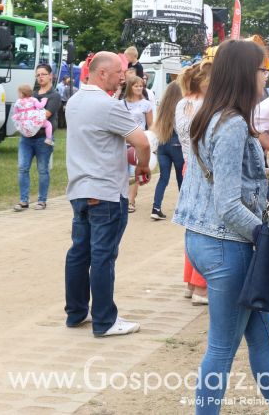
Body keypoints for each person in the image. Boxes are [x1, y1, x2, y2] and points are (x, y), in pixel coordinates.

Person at [173, 40, 269, 412]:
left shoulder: (210, 114)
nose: (267, 76)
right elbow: (229, 204)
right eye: (263, 70)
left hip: (205, 239)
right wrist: (267, 240)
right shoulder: (232, 124)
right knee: (221, 347)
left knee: (262, 334)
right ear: (245, 74)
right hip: (227, 245)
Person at [64, 51, 152, 337]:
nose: (122, 79)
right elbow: (142, 142)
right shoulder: (108, 105)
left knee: (79, 252)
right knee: (103, 256)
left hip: (79, 188)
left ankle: (76, 312)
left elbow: (98, 140)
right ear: (102, 73)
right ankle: (105, 320)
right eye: (118, 73)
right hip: (105, 191)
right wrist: (141, 166)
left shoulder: (74, 101)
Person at [175, 61, 212, 305]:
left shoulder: (182, 103)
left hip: (188, 165)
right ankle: (201, 286)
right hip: (203, 169)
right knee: (206, 227)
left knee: (193, 225)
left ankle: (191, 282)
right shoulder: (205, 106)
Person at [13, 64, 61, 212]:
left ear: (50, 76)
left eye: (43, 74)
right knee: (22, 168)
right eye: (38, 75)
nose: (40, 77)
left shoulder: (54, 96)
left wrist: (27, 116)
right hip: (26, 138)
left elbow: (45, 115)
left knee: (42, 170)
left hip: (43, 139)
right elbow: (22, 110)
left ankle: (41, 201)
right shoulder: (32, 95)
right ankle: (23, 201)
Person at [150, 81, 184, 221]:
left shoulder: (162, 108)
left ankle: (156, 208)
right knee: (181, 177)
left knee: (163, 178)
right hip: (176, 145)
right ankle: (183, 209)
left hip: (162, 144)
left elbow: (156, 127)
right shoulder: (180, 107)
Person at [123, 75, 154, 213]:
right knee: (122, 171)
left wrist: (152, 141)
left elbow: (150, 125)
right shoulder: (121, 104)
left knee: (133, 171)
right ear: (130, 87)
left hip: (138, 141)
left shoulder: (146, 104)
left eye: (141, 85)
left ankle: (131, 200)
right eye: (136, 86)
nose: (139, 88)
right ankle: (123, 197)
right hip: (123, 141)